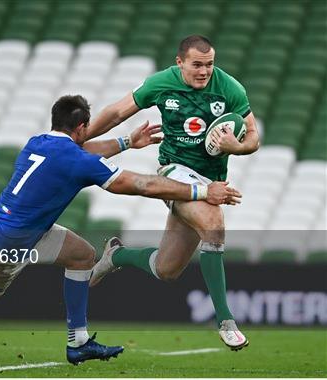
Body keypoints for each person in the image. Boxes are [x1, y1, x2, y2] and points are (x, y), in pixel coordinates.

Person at [0, 95, 240, 364]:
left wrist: (124, 140)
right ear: (82, 126)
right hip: (3, 247)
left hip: (19, 230)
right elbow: (142, 185)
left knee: (84, 255)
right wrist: (204, 190)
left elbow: (82, 153)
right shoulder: (73, 157)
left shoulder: (40, 142)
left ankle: (79, 342)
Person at [87, 35, 260, 351]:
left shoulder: (229, 88)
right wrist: (80, 137)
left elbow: (252, 136)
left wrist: (238, 146)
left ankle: (117, 255)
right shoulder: (161, 83)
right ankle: (226, 320)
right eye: (197, 64)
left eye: (209, 64)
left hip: (209, 177)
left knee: (166, 270)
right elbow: (116, 113)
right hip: (174, 174)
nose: (204, 71)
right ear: (180, 62)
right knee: (214, 224)